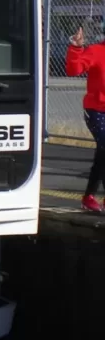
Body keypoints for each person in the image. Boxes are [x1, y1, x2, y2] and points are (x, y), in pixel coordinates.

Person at [66, 25, 105, 212]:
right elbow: (73, 70)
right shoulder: (96, 51)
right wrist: (76, 47)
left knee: (102, 155)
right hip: (96, 111)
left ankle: (89, 197)